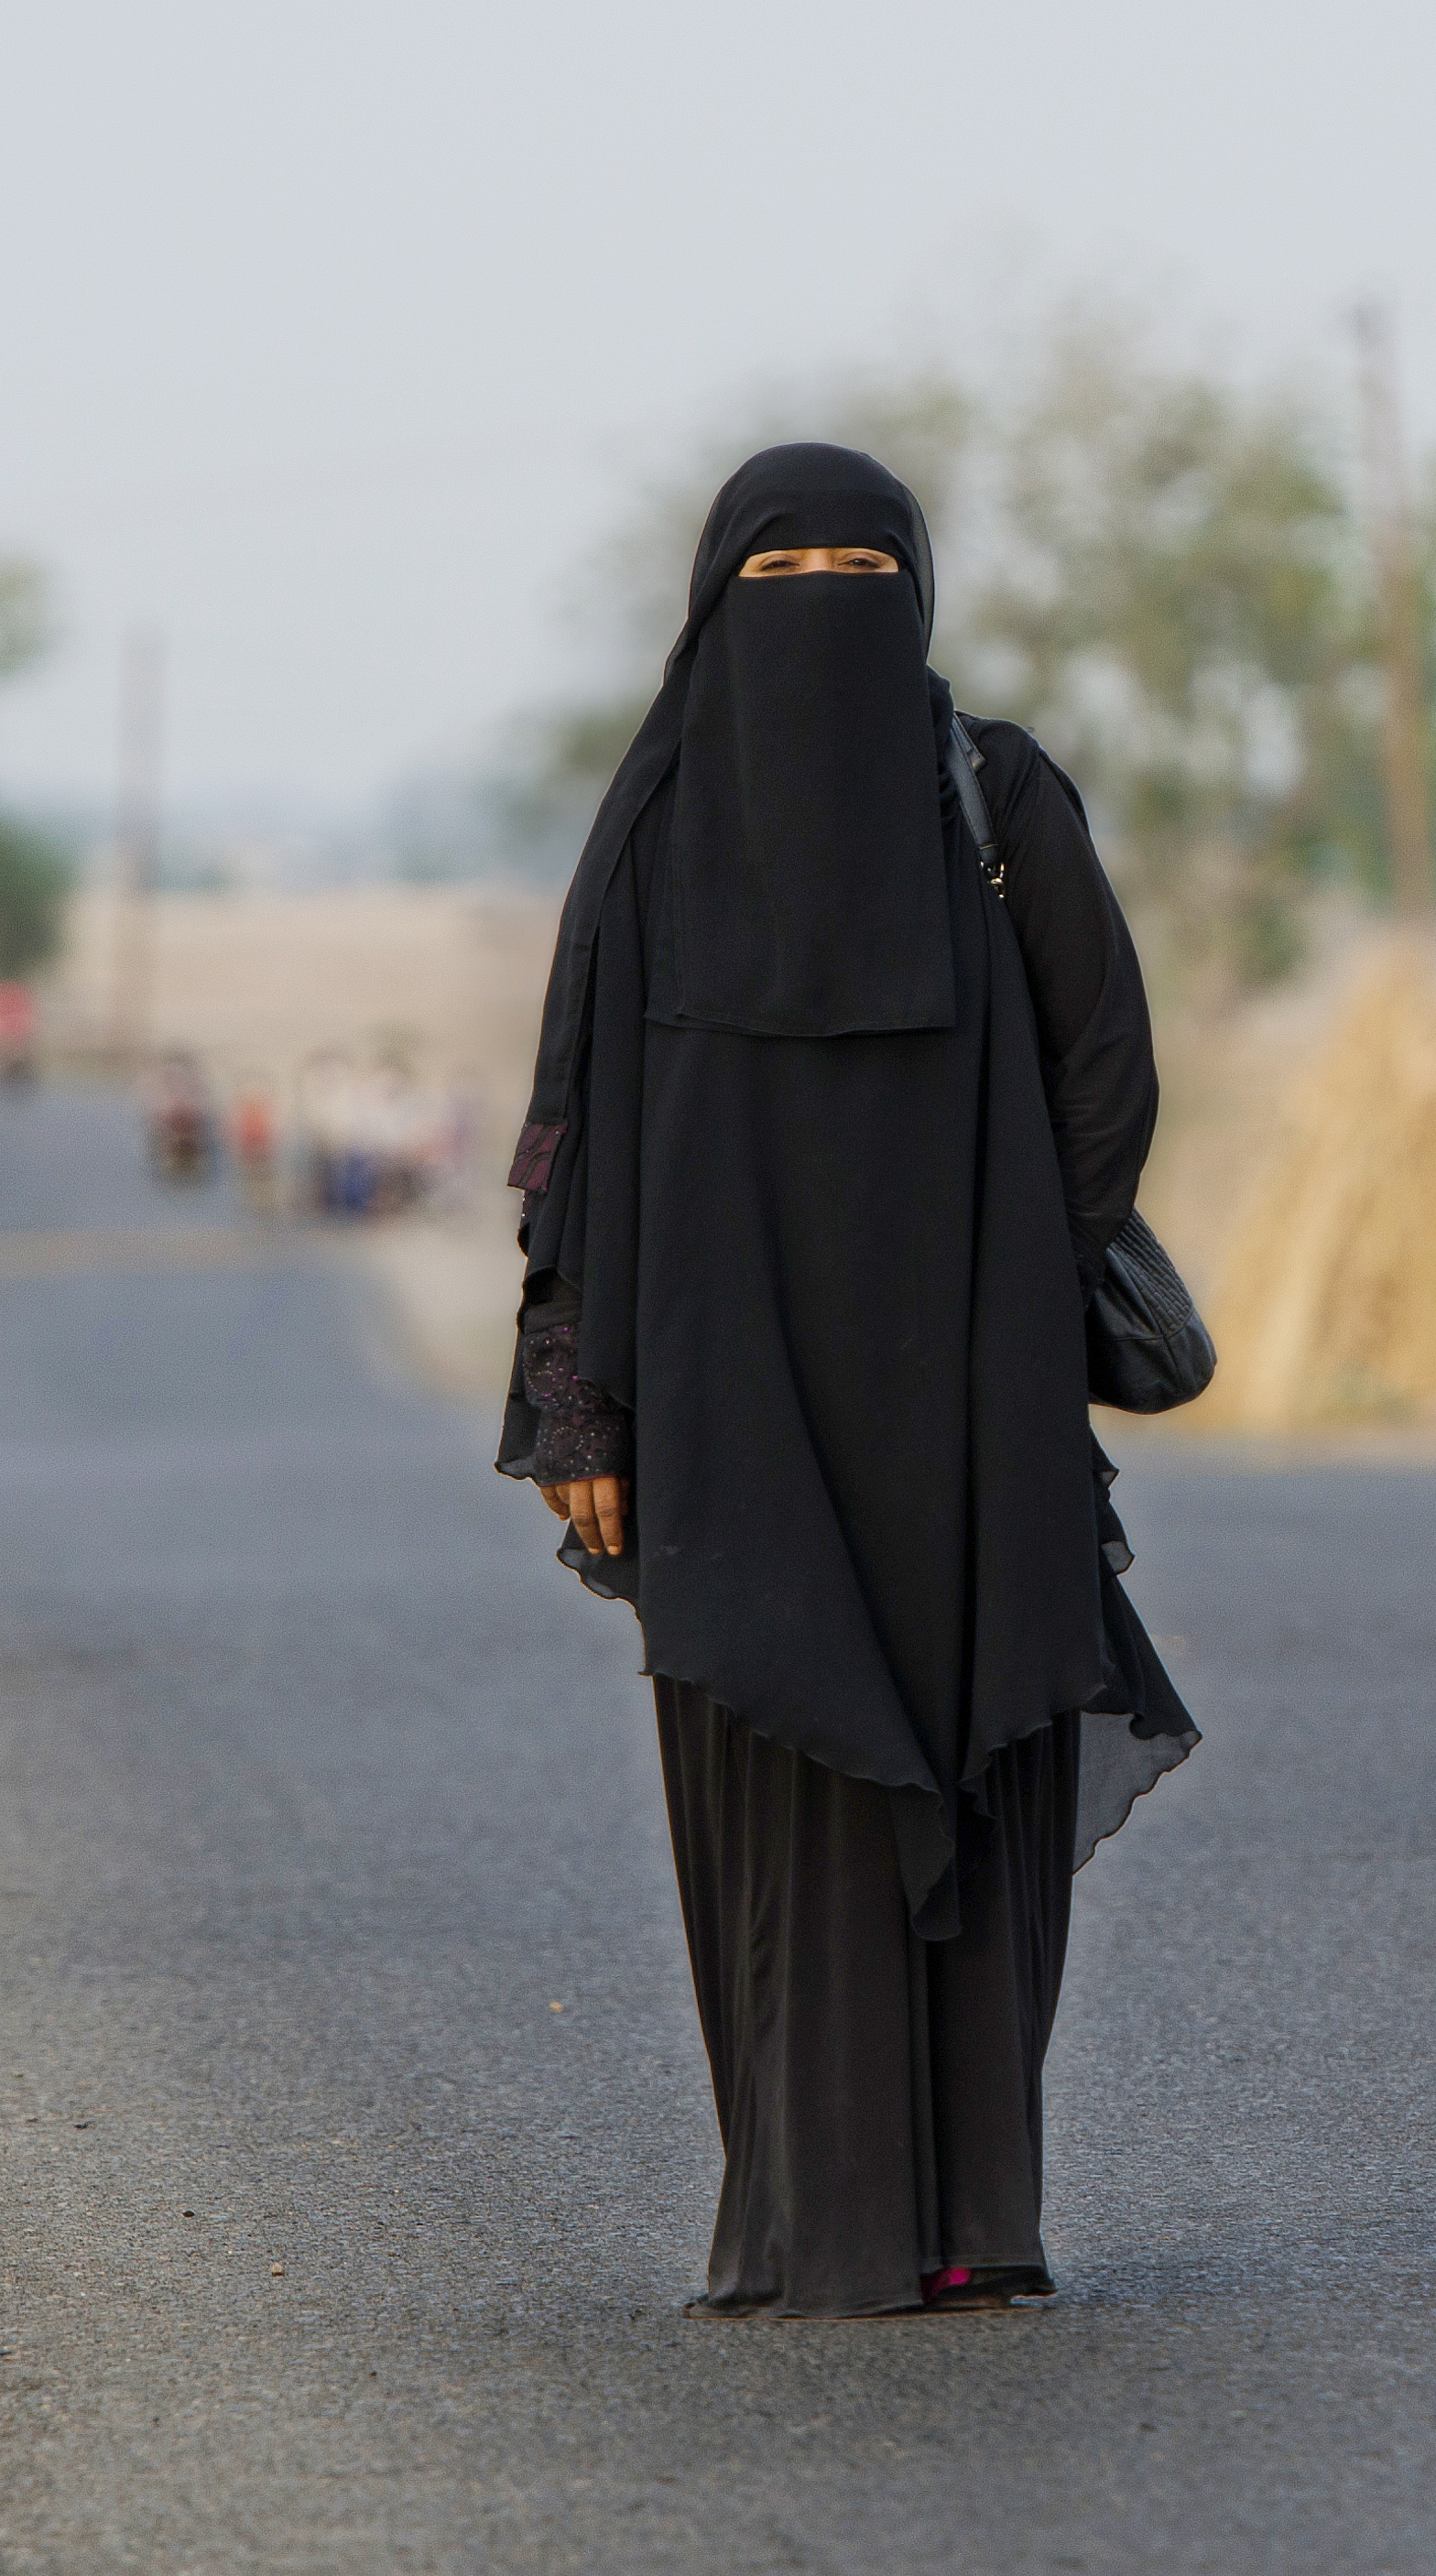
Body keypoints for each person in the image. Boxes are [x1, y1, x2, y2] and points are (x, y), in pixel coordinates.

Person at [500, 442, 1195, 2321]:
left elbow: (1103, 1073)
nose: (822, 598)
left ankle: (974, 2211)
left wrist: (1017, 1283)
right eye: (782, 565)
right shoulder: (655, 826)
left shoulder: (1000, 798)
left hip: (967, 1401)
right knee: (782, 1768)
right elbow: (578, 1130)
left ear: (920, 595)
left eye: (858, 563)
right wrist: (576, 1405)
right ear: (720, 602)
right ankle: (811, 2215)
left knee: (980, 1761)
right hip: (727, 1400)